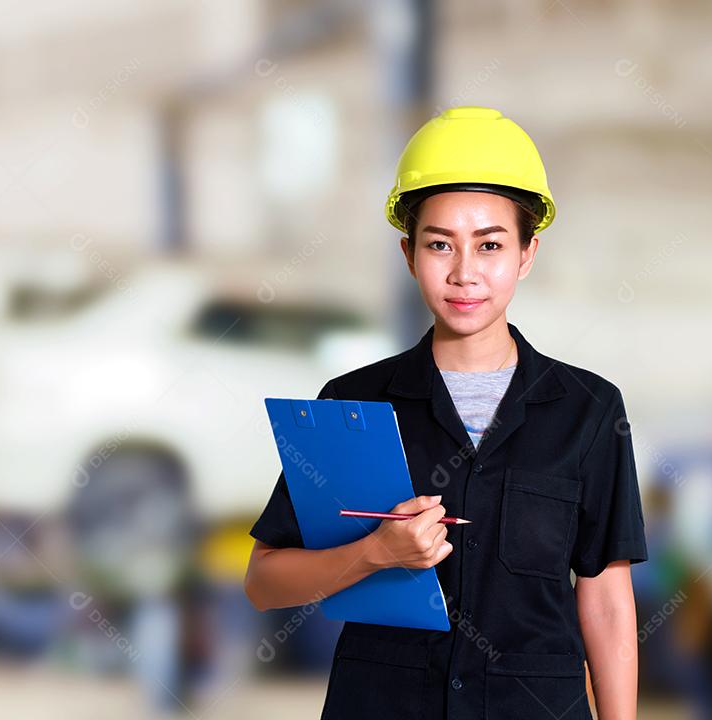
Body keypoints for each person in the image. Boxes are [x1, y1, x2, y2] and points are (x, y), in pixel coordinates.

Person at [244, 106, 648, 720]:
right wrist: (376, 552)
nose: (464, 273)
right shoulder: (354, 403)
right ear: (409, 254)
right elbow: (265, 582)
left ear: (527, 253)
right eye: (440, 245)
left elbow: (607, 598)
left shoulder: (589, 411)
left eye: (489, 245)